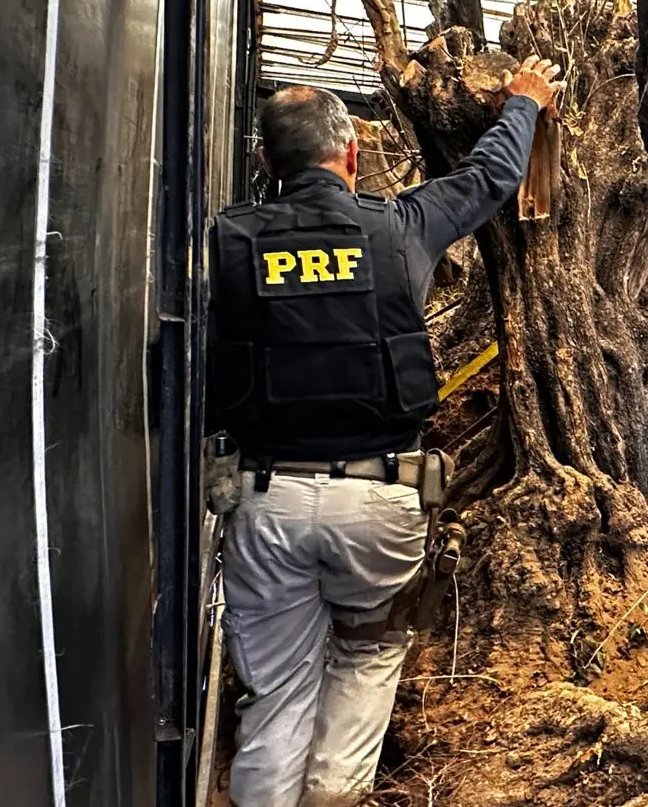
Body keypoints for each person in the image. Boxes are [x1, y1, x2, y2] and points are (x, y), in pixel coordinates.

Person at [206, 57, 565, 806]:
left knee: (274, 696)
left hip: (266, 503)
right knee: (367, 664)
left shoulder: (226, 242)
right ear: (353, 154)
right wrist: (524, 105)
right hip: (380, 504)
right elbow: (489, 179)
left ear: (266, 162)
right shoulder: (400, 226)